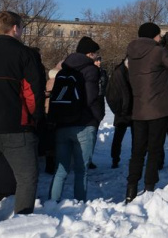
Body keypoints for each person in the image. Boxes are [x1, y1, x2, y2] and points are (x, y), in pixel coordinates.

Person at [0, 11, 45, 214]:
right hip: (16, 127)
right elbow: (32, 92)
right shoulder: (25, 54)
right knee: (27, 177)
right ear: (15, 28)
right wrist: (35, 120)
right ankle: (22, 222)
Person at [125, 22, 168, 202]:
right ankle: (149, 186)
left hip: (139, 110)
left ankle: (131, 188)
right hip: (158, 110)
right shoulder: (158, 52)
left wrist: (160, 45)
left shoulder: (132, 53)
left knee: (137, 151)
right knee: (154, 150)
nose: (161, 38)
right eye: (159, 35)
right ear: (153, 36)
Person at [48, 36, 104, 202]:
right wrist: (97, 117)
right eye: (95, 54)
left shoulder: (63, 70)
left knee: (61, 169)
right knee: (81, 170)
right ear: (89, 54)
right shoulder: (90, 70)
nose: (96, 58)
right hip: (84, 124)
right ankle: (79, 204)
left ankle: (52, 201)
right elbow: (91, 98)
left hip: (62, 124)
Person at [105, 58, 133, 169]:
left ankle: (134, 158)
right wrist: (117, 110)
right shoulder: (118, 73)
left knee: (136, 137)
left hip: (133, 110)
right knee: (118, 137)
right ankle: (115, 159)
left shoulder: (129, 71)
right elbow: (110, 94)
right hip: (122, 112)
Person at [87, 54, 107, 170]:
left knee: (93, 134)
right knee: (89, 134)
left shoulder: (103, 73)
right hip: (89, 104)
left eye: (100, 60)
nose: (99, 62)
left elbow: (105, 89)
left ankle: (89, 158)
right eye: (97, 60)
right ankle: (86, 159)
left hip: (99, 102)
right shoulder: (87, 72)